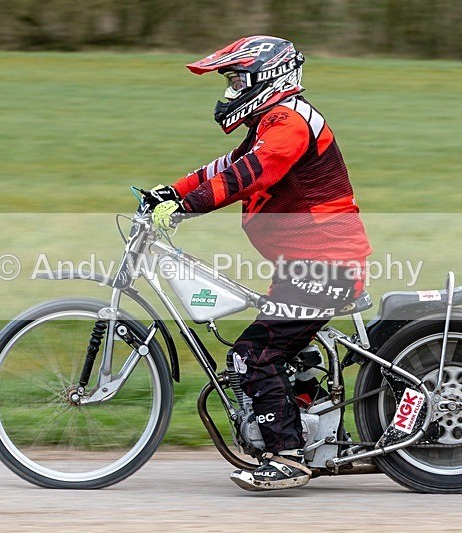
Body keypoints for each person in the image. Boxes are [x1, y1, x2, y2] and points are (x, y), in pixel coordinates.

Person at [145, 36, 372, 491]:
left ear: (267, 78)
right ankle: (314, 429)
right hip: (305, 265)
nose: (230, 92)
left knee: (251, 357)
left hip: (325, 265)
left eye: (236, 82)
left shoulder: (289, 122)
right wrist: (171, 192)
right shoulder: (271, 122)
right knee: (281, 351)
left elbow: (249, 174)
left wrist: (188, 207)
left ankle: (288, 457)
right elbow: (223, 166)